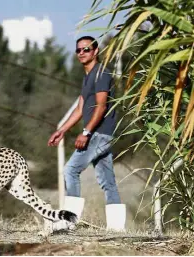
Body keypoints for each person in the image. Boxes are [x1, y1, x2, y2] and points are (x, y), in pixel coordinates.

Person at [47, 36, 126, 231]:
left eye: (86, 49)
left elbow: (101, 107)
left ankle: (68, 222)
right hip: (99, 135)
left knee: (71, 170)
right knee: (108, 181)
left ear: (96, 51)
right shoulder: (88, 76)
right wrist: (62, 130)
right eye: (78, 50)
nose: (82, 53)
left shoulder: (101, 73)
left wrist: (86, 132)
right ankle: (117, 228)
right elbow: (81, 108)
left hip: (98, 134)